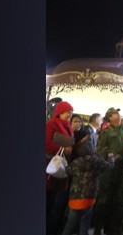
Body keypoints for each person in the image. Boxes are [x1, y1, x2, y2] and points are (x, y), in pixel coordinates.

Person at [63, 126, 115, 235]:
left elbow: (67, 170)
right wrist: (111, 158)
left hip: (74, 199)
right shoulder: (96, 161)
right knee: (85, 222)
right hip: (89, 198)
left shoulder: (77, 162)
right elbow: (109, 166)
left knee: (71, 223)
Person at [96, 108, 123, 235]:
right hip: (109, 170)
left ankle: (115, 230)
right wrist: (109, 154)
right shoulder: (106, 132)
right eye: (115, 113)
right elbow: (100, 148)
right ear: (110, 117)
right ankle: (98, 228)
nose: (118, 114)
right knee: (104, 200)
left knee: (120, 201)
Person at [47, 100, 76, 235]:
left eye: (70, 112)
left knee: (56, 202)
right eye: (67, 112)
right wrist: (63, 149)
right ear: (59, 112)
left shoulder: (68, 127)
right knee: (48, 200)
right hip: (51, 166)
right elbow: (47, 144)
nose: (69, 115)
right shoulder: (51, 125)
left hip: (62, 167)